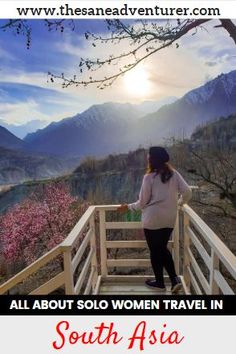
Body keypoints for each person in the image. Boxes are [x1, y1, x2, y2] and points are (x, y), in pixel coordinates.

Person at [118, 146, 192, 293]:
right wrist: (179, 203)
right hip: (169, 218)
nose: (147, 158)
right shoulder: (174, 174)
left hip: (152, 219)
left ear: (152, 159)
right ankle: (174, 279)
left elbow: (142, 203)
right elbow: (188, 192)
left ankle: (160, 282)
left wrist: (128, 207)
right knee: (162, 248)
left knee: (155, 250)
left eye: (149, 156)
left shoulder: (149, 177)